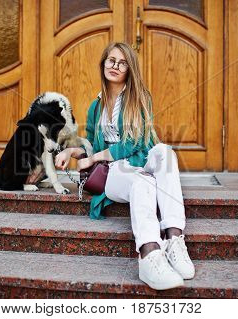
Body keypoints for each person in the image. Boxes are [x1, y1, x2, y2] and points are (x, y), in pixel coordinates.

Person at [54, 42, 195, 290]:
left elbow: (135, 142)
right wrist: (70, 150)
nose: (115, 66)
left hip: (140, 160)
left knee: (164, 152)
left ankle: (174, 238)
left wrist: (95, 158)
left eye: (122, 62)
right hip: (116, 172)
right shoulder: (95, 106)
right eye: (111, 60)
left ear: (130, 69)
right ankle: (150, 254)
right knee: (143, 181)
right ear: (103, 64)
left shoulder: (139, 98)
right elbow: (93, 146)